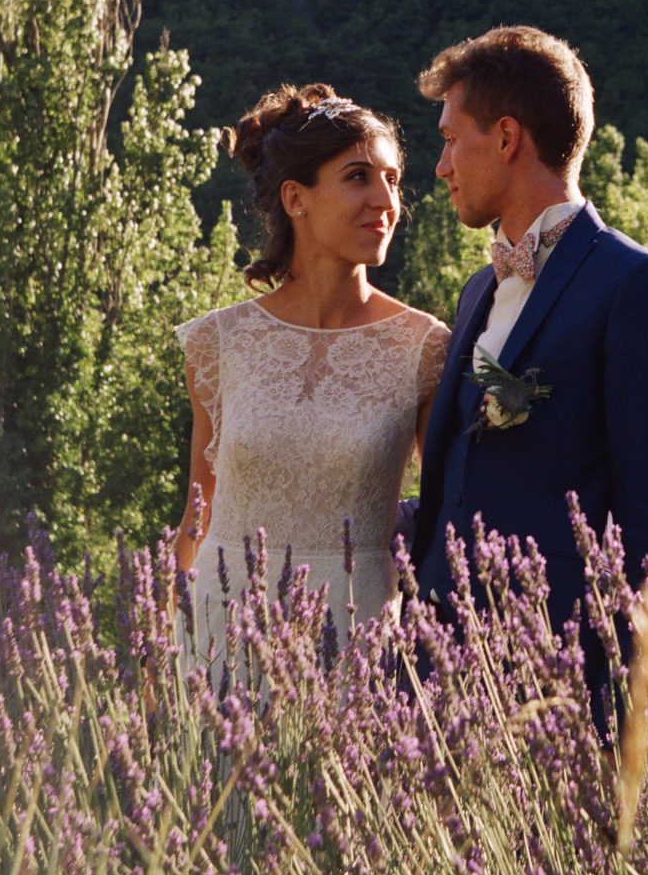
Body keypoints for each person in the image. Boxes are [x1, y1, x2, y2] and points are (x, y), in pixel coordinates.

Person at [408, 26, 648, 630]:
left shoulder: (636, 285)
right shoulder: (476, 292)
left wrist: (641, 690)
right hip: (441, 660)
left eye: (451, 140)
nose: (440, 167)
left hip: (562, 658)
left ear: (507, 137)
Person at [174, 85, 450, 649]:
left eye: (392, 179)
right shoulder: (216, 342)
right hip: (220, 632)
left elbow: (450, 515)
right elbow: (195, 517)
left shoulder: (424, 348)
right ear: (296, 198)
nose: (386, 200)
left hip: (356, 636)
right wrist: (161, 655)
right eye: (358, 177)